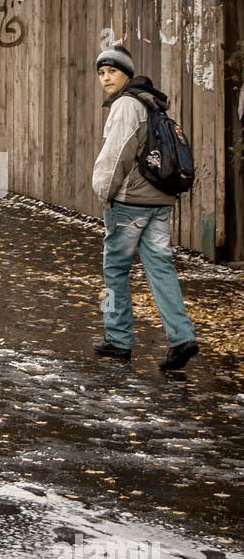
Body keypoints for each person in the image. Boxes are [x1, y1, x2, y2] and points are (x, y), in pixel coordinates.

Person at [91, 44, 199, 372]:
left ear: (127, 73)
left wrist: (103, 192)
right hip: (160, 201)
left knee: (115, 270)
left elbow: (117, 154)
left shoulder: (126, 105)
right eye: (101, 72)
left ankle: (118, 339)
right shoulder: (153, 104)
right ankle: (181, 337)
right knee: (161, 269)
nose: (106, 77)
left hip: (129, 205)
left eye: (112, 71)